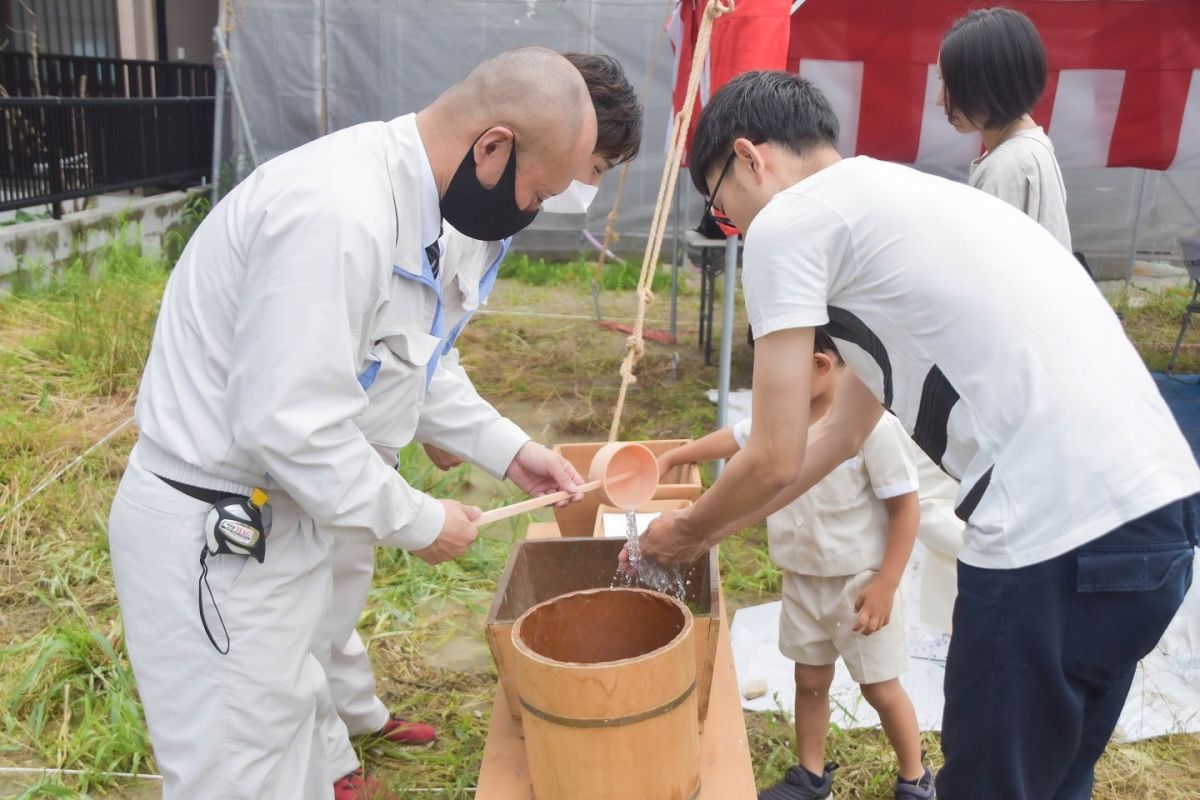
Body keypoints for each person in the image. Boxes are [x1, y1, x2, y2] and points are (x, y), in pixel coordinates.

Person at [635, 71, 1199, 799]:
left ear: (750, 157)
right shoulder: (904, 207)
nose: (735, 228)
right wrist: (716, 528)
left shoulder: (792, 221)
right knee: (1058, 777)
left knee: (991, 784)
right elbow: (835, 435)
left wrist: (682, 533)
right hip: (1158, 519)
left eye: (724, 210)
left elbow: (774, 452)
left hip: (1051, 533)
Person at [107, 47, 597, 800]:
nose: (528, 215)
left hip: (283, 520)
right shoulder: (338, 211)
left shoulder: (415, 211)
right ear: (492, 146)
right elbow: (292, 421)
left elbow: (405, 367)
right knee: (239, 770)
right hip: (220, 534)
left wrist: (512, 451)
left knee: (291, 736)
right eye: (536, 193)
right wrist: (420, 519)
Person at [318, 53, 642, 799]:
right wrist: (423, 516)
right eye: (581, 169)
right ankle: (326, 758)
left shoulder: (486, 215)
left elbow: (428, 358)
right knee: (303, 614)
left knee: (339, 587)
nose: (573, 193)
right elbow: (316, 413)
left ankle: (354, 714)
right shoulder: (391, 210)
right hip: (325, 458)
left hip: (365, 449)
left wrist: (512, 450)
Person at [657, 329, 934, 800]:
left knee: (880, 688)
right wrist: (675, 455)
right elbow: (733, 439)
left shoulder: (874, 429)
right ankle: (812, 776)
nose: (768, 387)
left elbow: (906, 509)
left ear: (822, 365)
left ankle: (915, 778)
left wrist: (887, 583)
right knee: (809, 679)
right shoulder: (781, 424)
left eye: (777, 372)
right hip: (802, 580)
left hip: (859, 585)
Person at [936, 7, 1072, 252]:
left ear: (988, 85)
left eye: (951, 85)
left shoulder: (1007, 167)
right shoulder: (1032, 145)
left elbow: (985, 267)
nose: (940, 100)